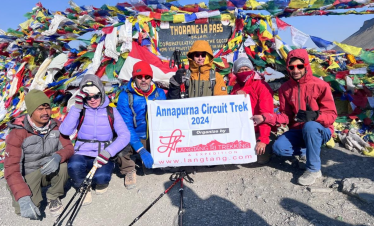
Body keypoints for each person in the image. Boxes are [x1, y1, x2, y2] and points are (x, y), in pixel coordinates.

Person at [251, 49, 337, 186]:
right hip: (298, 131)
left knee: (310, 126)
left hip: (320, 130)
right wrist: (265, 118)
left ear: (306, 66)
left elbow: (332, 115)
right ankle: (307, 151)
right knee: (279, 147)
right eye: (291, 67)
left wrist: (315, 116)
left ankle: (314, 169)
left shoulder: (320, 85)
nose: (295, 70)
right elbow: (286, 116)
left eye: (299, 66)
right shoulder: (285, 88)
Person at [59, 74, 130, 205]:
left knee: (102, 178)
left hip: (103, 153)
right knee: (74, 167)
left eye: (95, 96)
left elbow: (125, 135)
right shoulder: (79, 110)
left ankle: (96, 178)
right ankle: (83, 187)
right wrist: (77, 107)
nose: (92, 100)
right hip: (82, 152)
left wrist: (108, 152)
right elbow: (64, 131)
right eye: (88, 97)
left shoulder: (111, 111)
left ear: (101, 93)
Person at [5, 90, 74, 219]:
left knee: (63, 165)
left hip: (48, 169)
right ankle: (17, 190)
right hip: (29, 174)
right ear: (31, 111)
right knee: (26, 209)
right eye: (40, 109)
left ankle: (53, 196)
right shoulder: (18, 133)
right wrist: (24, 198)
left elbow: (69, 148)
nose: (45, 112)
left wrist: (58, 156)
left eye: (47, 108)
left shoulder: (56, 125)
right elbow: (11, 169)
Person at [116, 61, 166, 189]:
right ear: (134, 78)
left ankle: (151, 162)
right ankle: (129, 170)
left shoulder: (159, 93)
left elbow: (165, 119)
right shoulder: (125, 96)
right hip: (134, 136)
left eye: (147, 77)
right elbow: (126, 126)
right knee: (120, 144)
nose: (143, 80)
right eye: (139, 77)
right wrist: (140, 149)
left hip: (153, 136)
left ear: (151, 78)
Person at [230, 57, 274, 164]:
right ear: (236, 72)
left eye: (246, 69)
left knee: (260, 158)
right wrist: (235, 96)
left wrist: (263, 139)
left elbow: (266, 113)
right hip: (242, 130)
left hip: (258, 130)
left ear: (252, 70)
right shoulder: (235, 88)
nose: (244, 72)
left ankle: (268, 142)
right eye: (240, 70)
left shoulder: (262, 86)